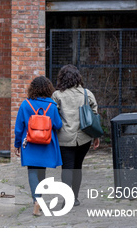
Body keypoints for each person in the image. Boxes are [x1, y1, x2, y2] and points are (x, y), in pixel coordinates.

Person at [52, 64, 100, 207]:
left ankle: (66, 199)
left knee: (67, 167)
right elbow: (95, 116)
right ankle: (75, 198)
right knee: (77, 167)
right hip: (84, 137)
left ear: (62, 78)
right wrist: (96, 137)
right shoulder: (87, 93)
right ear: (78, 77)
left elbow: (53, 116)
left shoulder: (57, 95)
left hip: (64, 137)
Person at [14, 76, 63, 216]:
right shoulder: (52, 105)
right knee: (42, 171)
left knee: (32, 171)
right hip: (46, 144)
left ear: (32, 89)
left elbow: (18, 128)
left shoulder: (25, 105)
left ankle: (36, 200)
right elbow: (58, 125)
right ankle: (39, 199)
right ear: (48, 89)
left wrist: (17, 144)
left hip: (29, 143)